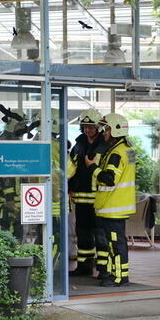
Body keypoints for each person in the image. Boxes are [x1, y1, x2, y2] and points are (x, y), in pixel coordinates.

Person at [88, 113, 136, 286]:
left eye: (106, 129)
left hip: (113, 207)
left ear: (115, 129)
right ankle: (117, 275)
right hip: (118, 206)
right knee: (115, 243)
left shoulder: (116, 153)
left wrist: (92, 167)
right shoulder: (127, 150)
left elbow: (109, 179)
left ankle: (119, 277)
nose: (104, 133)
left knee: (115, 245)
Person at [67, 108, 108, 276]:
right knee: (82, 233)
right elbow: (71, 168)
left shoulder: (105, 146)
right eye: (84, 126)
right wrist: (68, 185)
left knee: (100, 235)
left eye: (90, 127)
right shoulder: (79, 145)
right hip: (81, 198)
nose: (87, 130)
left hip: (100, 198)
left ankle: (104, 269)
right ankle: (84, 267)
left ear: (98, 127)